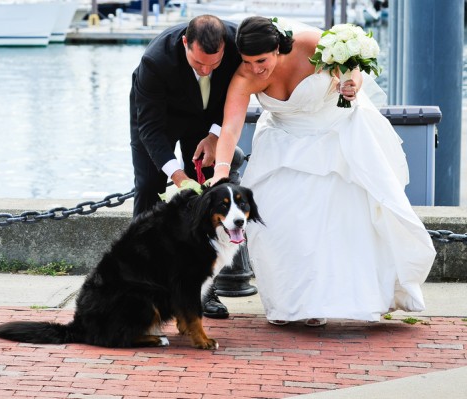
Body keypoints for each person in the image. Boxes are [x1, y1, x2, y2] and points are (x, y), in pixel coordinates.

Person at [212, 16, 436, 326]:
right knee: (278, 226)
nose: (255, 69)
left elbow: (351, 68)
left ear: (277, 48)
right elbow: (230, 129)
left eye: (261, 60)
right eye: (248, 62)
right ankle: (295, 304)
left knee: (340, 224)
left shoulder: (312, 43)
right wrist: (221, 173)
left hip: (336, 137)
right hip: (283, 146)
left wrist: (351, 83)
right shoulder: (244, 77)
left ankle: (328, 302)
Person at [130, 15, 242, 319]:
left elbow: (237, 96)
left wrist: (215, 135)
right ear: (184, 44)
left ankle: (205, 290)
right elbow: (150, 128)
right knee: (148, 187)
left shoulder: (236, 43)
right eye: (198, 64)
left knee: (209, 193)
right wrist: (177, 176)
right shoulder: (154, 61)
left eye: (213, 64)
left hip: (207, 120)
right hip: (157, 118)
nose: (206, 70)